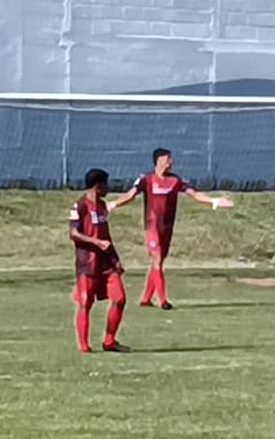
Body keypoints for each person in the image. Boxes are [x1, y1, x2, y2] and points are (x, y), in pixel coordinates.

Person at [108, 148, 233, 310]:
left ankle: (146, 299)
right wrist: (112, 204)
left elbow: (194, 194)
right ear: (159, 161)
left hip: (167, 228)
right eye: (168, 159)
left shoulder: (176, 181)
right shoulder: (146, 180)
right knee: (157, 259)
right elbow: (130, 195)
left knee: (157, 262)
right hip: (152, 226)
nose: (171, 162)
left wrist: (214, 202)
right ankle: (163, 301)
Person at [69, 168, 129, 354]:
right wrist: (95, 242)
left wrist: (115, 258)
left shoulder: (102, 206)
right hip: (88, 263)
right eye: (105, 184)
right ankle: (84, 346)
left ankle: (110, 341)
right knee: (85, 304)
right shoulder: (79, 206)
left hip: (106, 263)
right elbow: (73, 233)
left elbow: (106, 234)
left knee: (119, 298)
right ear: (98, 185)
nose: (108, 188)